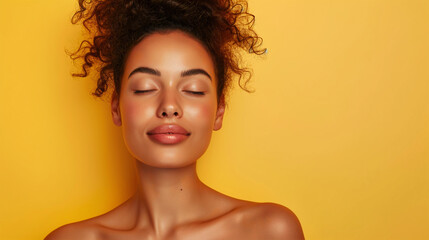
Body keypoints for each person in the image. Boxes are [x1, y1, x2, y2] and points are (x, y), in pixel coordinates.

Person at [46, 0, 305, 239]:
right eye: (145, 88)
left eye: (193, 90)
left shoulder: (269, 231)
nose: (169, 106)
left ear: (219, 112)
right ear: (116, 108)